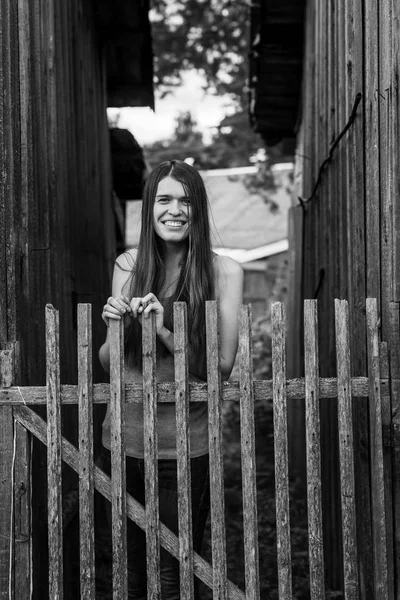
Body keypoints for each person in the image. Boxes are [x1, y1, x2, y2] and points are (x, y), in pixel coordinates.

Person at [99, 160, 243, 599]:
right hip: (121, 442)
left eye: (185, 201)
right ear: (150, 208)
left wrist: (163, 330)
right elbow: (109, 363)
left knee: (173, 572)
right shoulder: (128, 265)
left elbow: (220, 369)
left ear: (197, 209)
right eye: (164, 199)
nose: (174, 210)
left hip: (185, 446)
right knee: (129, 571)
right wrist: (116, 322)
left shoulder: (225, 272)